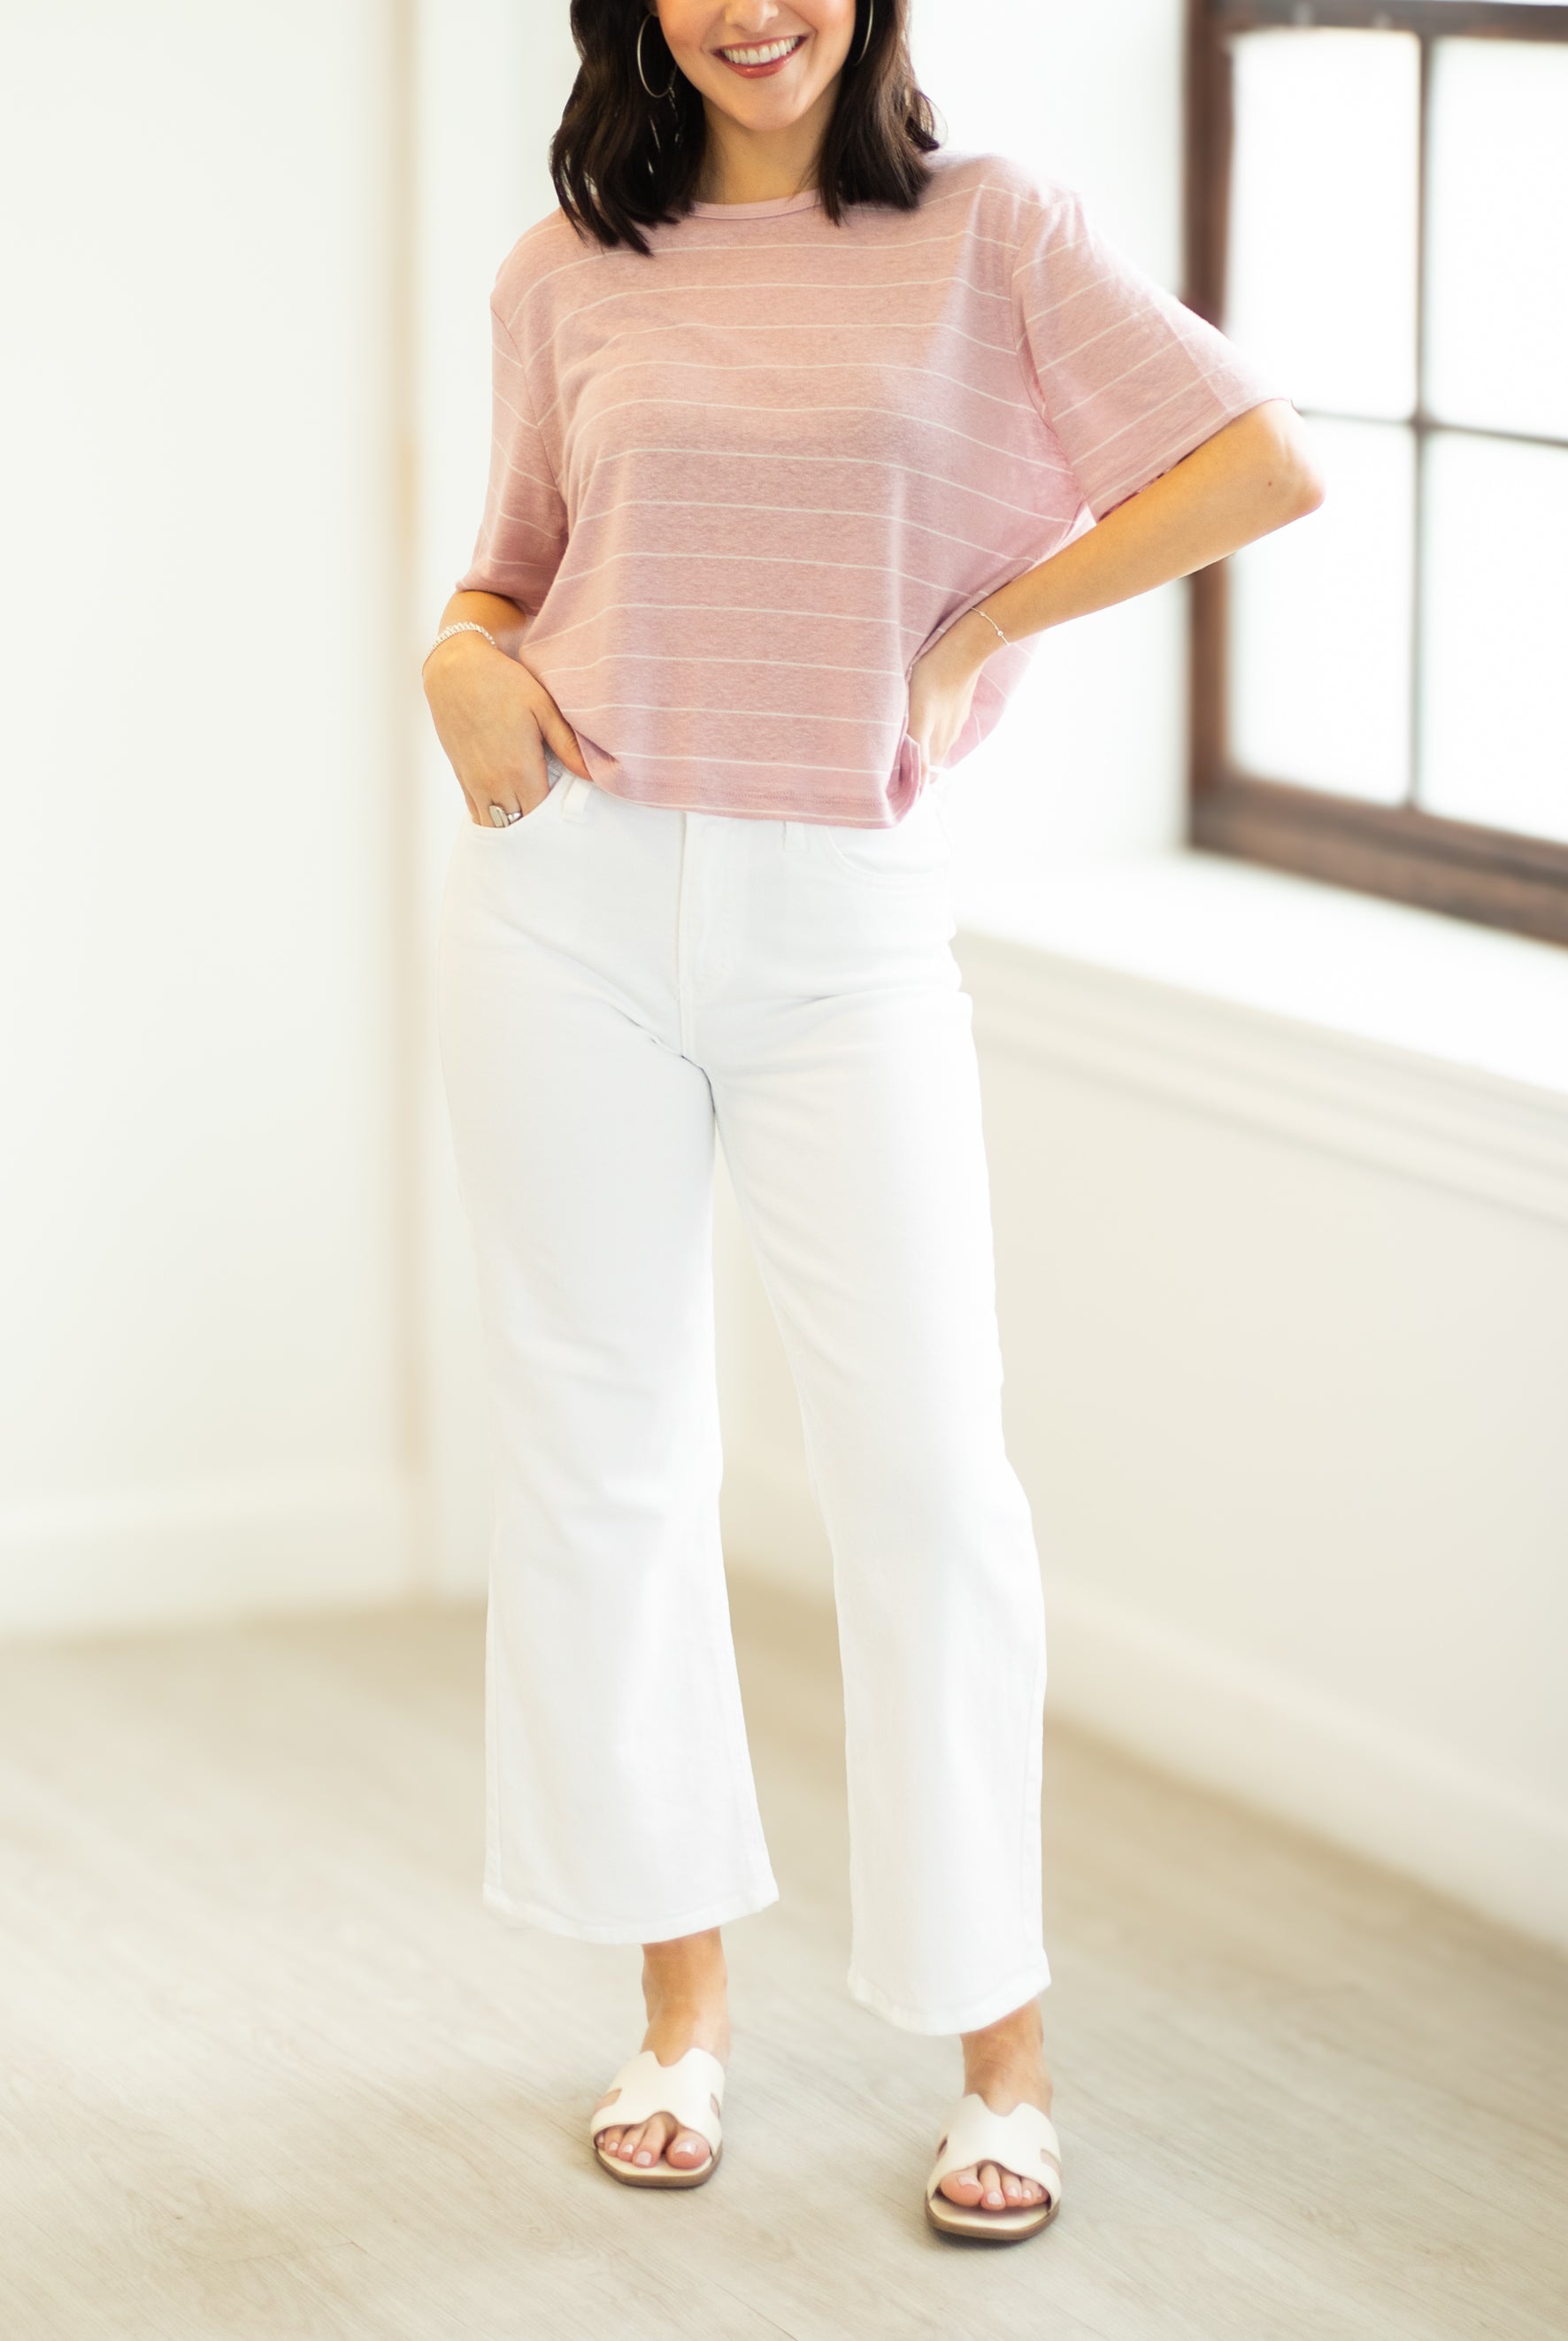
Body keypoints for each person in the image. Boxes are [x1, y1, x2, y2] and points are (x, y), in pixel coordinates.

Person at [422, 0, 1320, 2245]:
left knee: (924, 1484)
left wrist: (974, 635)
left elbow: (1251, 461)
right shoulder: (562, 271)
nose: (756, 9)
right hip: (569, 901)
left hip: (844, 916)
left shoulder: (992, 232)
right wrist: (455, 664)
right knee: (607, 1457)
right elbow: (511, 569)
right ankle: (679, 2018)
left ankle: (997, 2052)